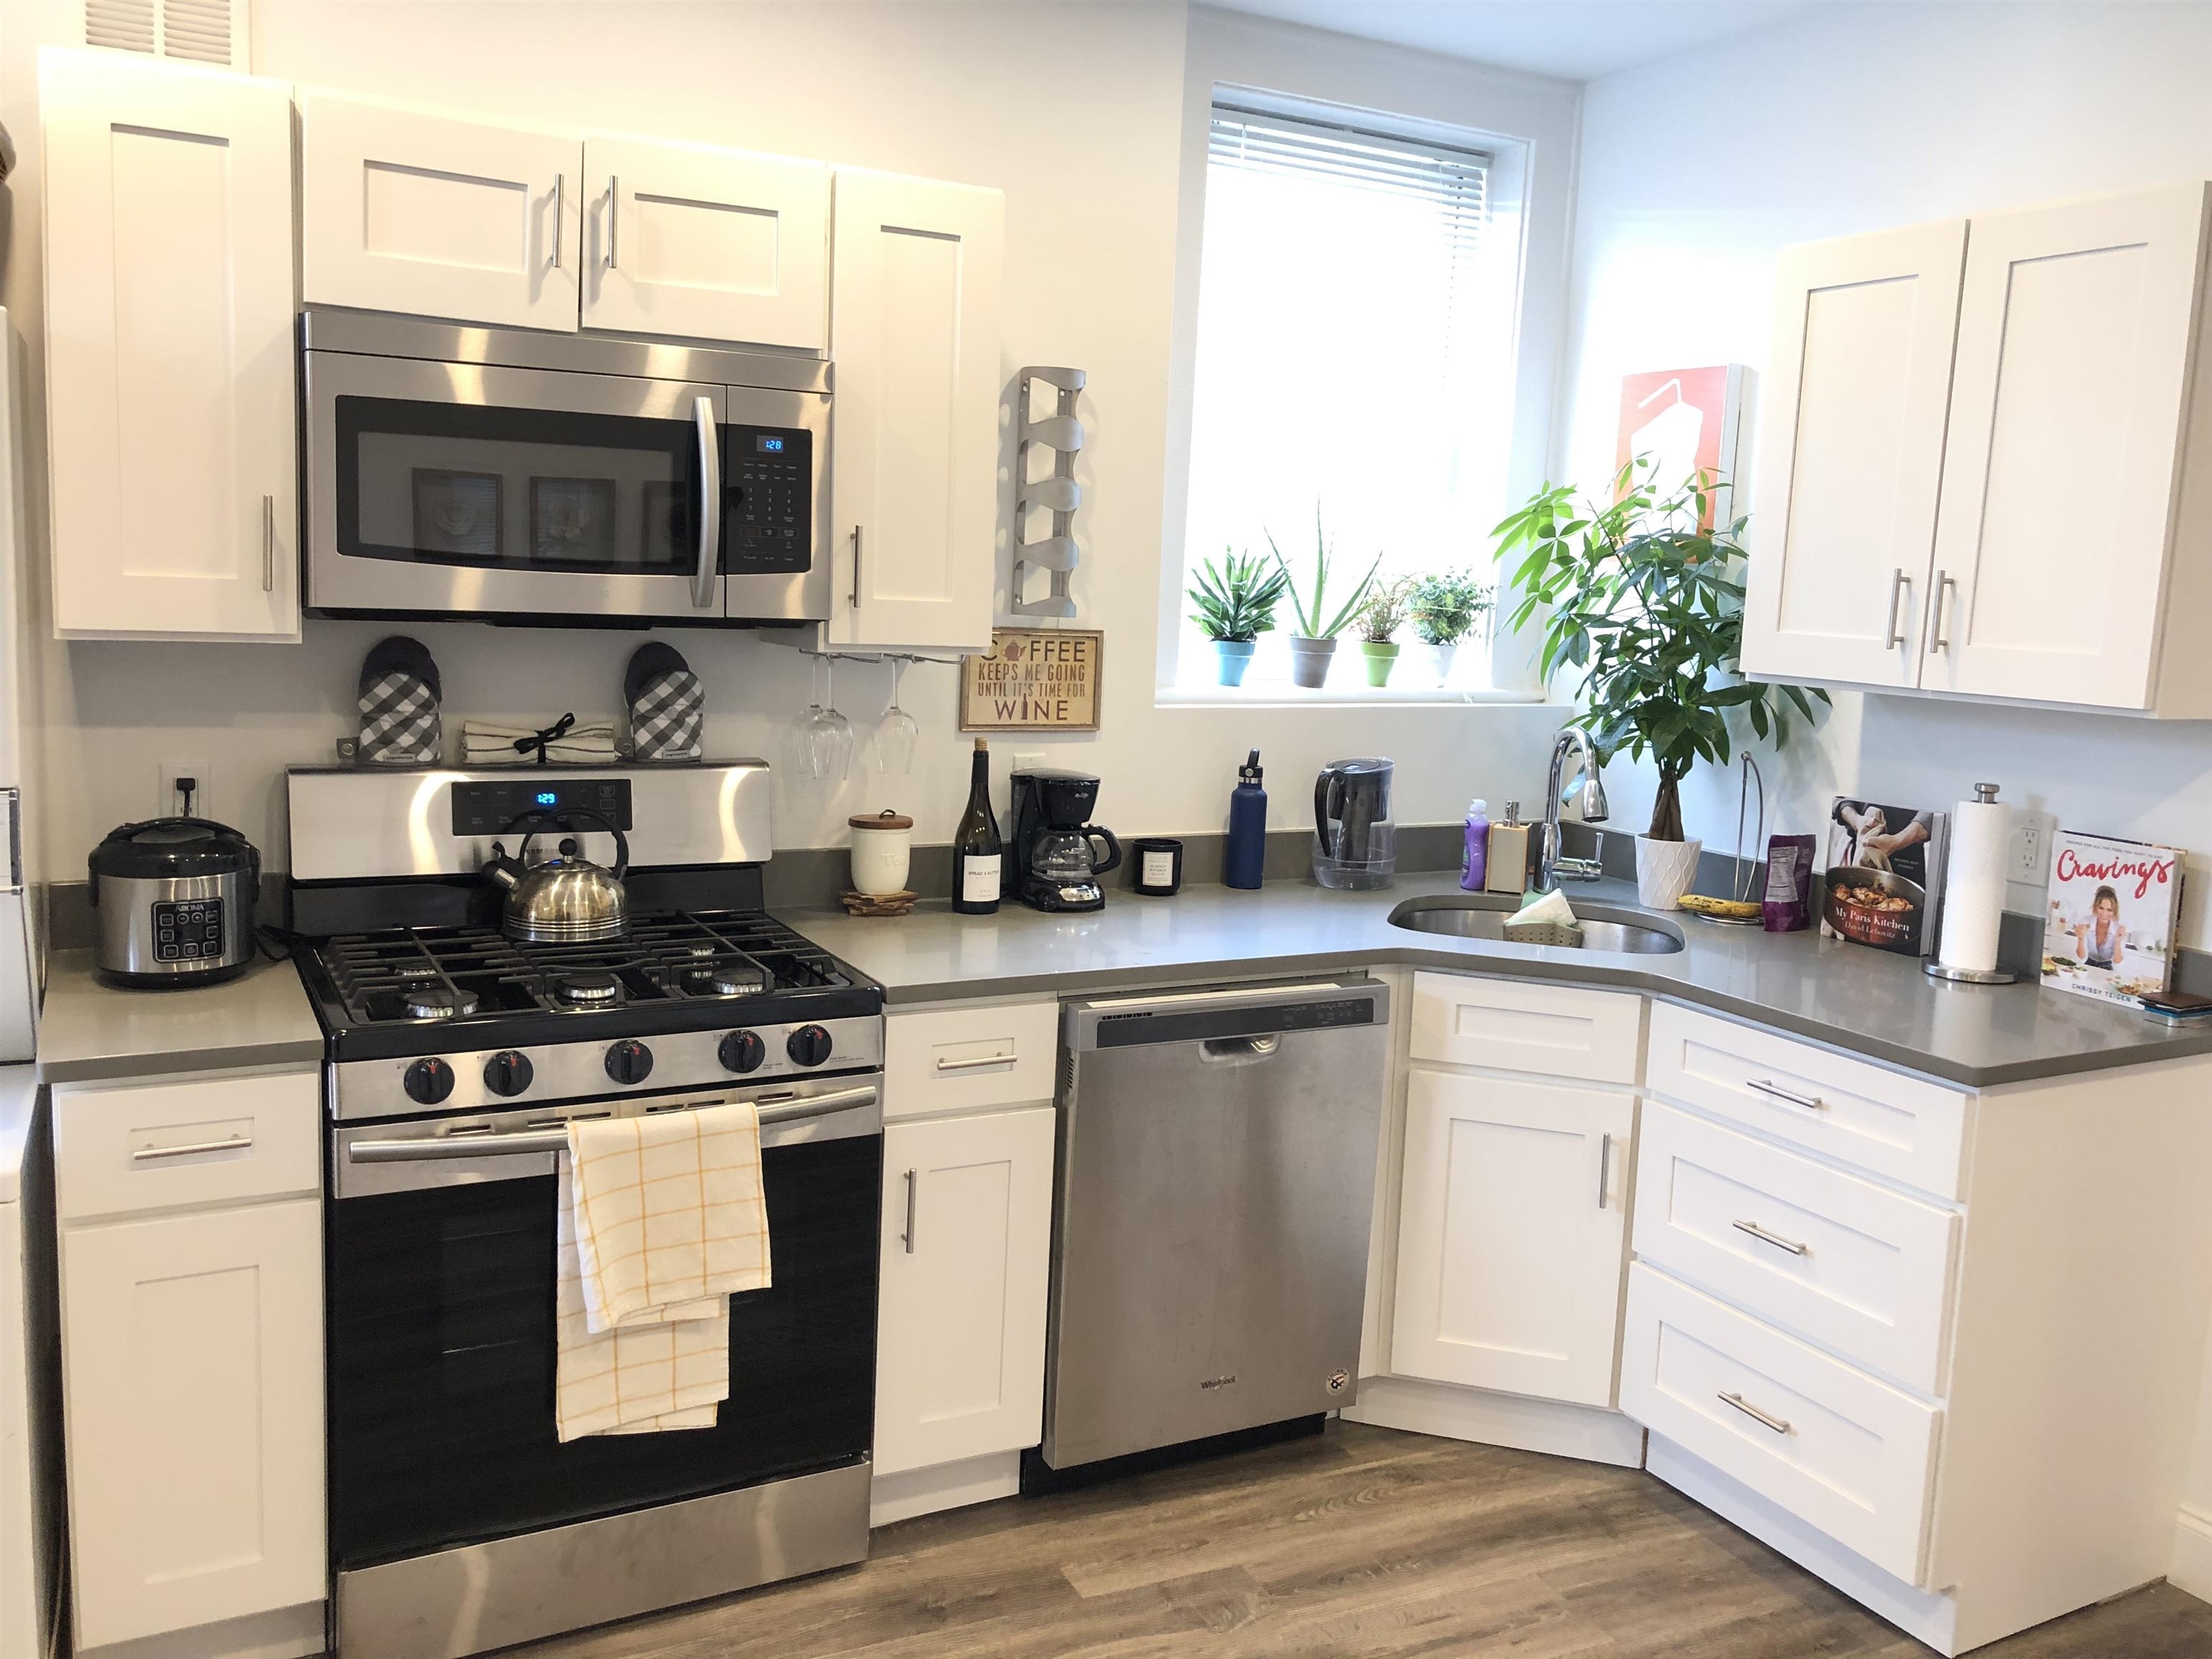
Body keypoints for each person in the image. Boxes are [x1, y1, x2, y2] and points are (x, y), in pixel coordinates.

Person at [2075, 885, 2128, 971]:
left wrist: (2118, 942)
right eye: (2101, 908)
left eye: (2109, 910)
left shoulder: (2119, 929)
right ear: (2095, 907)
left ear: (2114, 911)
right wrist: (2080, 938)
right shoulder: (2085, 922)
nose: (2104, 914)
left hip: (2108, 967)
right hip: (2087, 963)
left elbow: (2117, 963)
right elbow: (2081, 958)